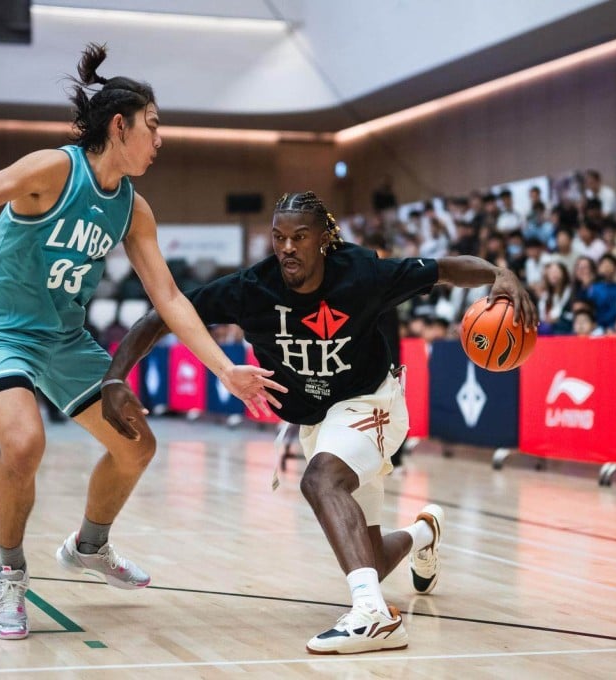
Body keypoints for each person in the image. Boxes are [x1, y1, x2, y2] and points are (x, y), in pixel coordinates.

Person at [0, 44, 282, 641]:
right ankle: (10, 573)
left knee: (136, 445)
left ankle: (89, 546)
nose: (160, 141)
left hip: (64, 337)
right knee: (23, 444)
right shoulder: (54, 170)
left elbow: (171, 300)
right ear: (119, 125)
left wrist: (225, 369)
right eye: (153, 128)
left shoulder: (133, 209)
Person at [100, 191, 537, 655]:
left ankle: (374, 617)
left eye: (300, 237)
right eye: (279, 237)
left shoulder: (364, 273)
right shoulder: (253, 288)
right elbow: (162, 315)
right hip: (318, 422)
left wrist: (499, 274)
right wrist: (113, 379)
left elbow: (446, 269)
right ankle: (425, 532)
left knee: (320, 480)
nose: (287, 247)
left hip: (374, 403)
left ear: (324, 240)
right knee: (368, 559)